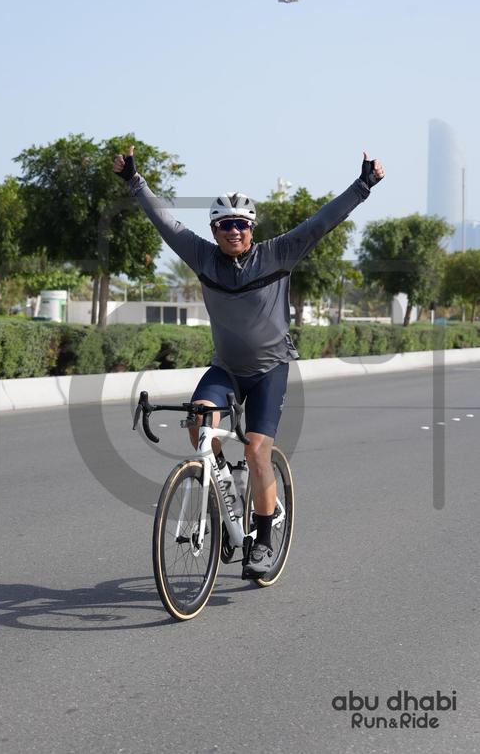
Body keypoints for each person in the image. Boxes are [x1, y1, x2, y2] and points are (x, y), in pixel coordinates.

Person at [114, 147, 384, 576]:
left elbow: (321, 222)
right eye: (225, 224)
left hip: (269, 370)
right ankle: (222, 493)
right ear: (215, 230)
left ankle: (262, 540)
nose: (234, 231)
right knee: (199, 423)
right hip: (226, 369)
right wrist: (134, 180)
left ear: (251, 228)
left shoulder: (278, 254)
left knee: (258, 449)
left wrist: (363, 185)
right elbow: (167, 224)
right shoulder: (202, 257)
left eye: (241, 223)